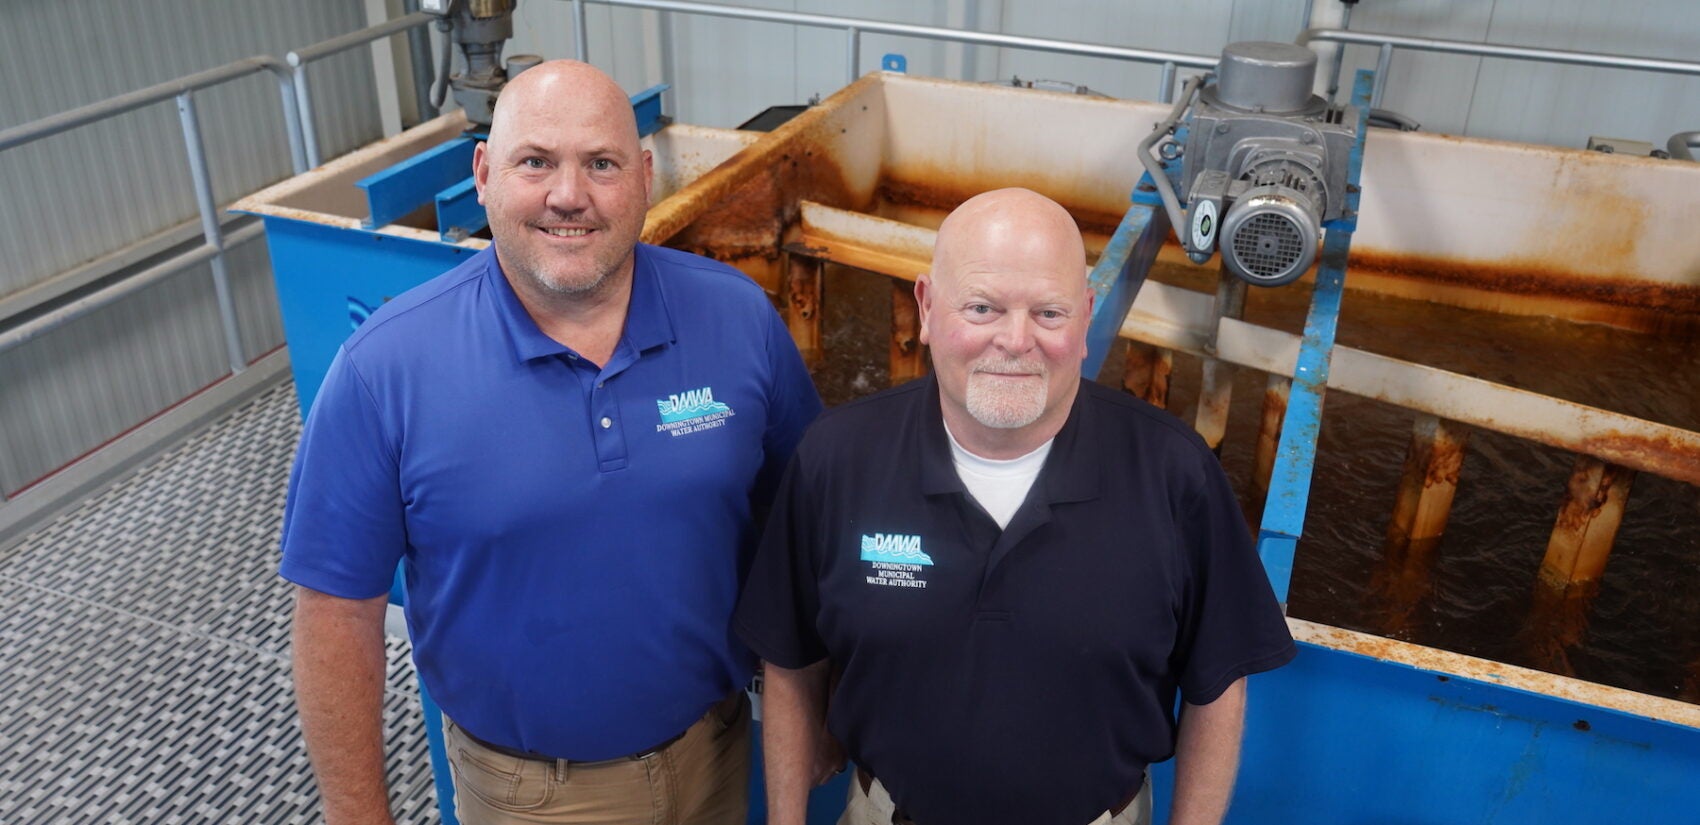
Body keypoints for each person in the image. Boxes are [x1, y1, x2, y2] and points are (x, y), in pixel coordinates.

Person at [280, 60, 821, 825]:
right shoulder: (386, 369)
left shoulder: (736, 320)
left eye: (600, 164)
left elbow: (805, 526)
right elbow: (336, 613)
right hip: (532, 795)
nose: (569, 195)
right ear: (483, 173)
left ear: (642, 174)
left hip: (718, 756)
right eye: (536, 162)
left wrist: (822, 697)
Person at [735, 188, 1295, 825]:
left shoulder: (1174, 474)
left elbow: (1218, 686)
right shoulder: (836, 459)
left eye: (1049, 314)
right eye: (982, 307)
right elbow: (789, 661)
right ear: (925, 308)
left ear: (1085, 318)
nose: (1015, 339)